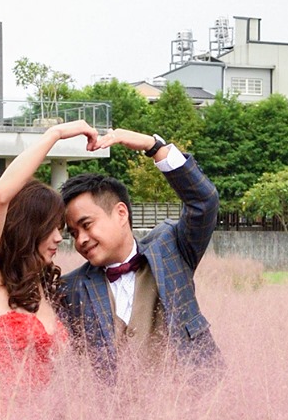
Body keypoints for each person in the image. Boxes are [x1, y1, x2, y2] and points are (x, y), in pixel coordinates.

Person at [56, 129, 223, 378]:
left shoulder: (171, 249)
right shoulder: (70, 289)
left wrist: (153, 146)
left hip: (191, 404)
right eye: (73, 233)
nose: (81, 239)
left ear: (121, 213)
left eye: (87, 225)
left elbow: (204, 201)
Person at [0, 120, 100, 407]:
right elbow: (0, 197)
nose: (58, 238)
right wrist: (55, 135)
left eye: (61, 230)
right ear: (28, 227)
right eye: (50, 228)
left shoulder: (47, 288)